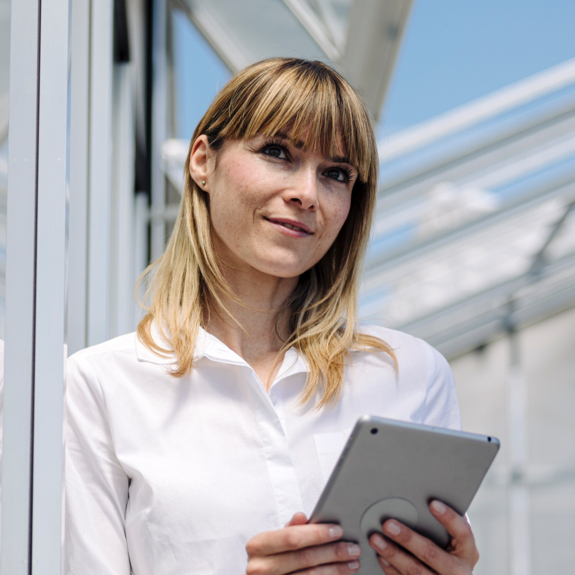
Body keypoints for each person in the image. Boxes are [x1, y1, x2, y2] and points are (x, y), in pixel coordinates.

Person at [64, 58, 479, 575]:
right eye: (277, 152)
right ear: (202, 161)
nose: (307, 193)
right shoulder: (101, 386)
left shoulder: (410, 374)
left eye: (336, 174)